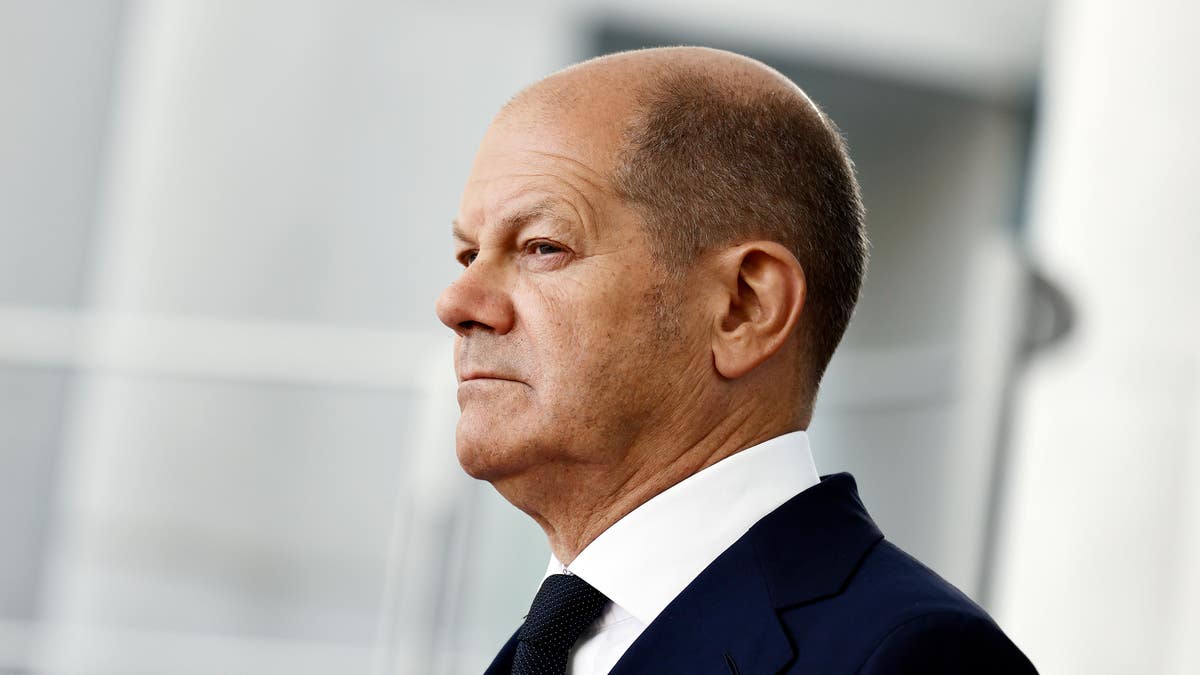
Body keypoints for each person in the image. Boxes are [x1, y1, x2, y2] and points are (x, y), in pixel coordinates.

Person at [435, 46, 1036, 675]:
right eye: (468, 255)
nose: (458, 302)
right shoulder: (543, 648)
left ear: (745, 306)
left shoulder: (911, 658)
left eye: (542, 247)